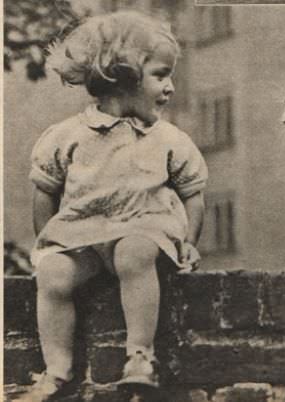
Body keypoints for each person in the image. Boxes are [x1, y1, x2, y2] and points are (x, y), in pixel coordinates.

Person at [20, 10, 208, 401]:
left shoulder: (166, 138)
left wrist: (189, 240)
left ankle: (140, 356)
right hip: (84, 237)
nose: (170, 87)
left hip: (142, 230)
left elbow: (193, 191)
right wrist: (51, 244)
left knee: (133, 251)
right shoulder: (67, 136)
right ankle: (57, 369)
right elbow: (45, 190)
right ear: (124, 74)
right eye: (160, 75)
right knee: (53, 274)